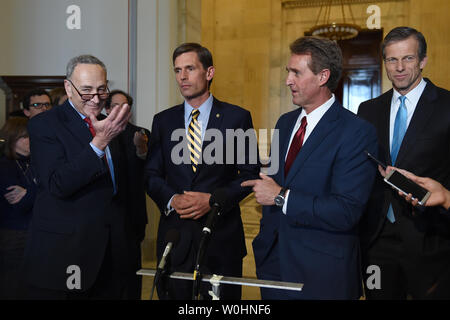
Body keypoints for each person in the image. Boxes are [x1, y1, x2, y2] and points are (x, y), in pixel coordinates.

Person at [241, 36, 378, 300]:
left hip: (322, 275)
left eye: (296, 73)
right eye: (287, 72)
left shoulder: (357, 132)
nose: (287, 81)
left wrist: (281, 197)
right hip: (273, 267)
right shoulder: (284, 123)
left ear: (323, 76)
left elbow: (346, 211)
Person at [145, 42, 260, 300]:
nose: (182, 77)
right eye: (177, 70)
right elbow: (151, 175)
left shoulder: (236, 118)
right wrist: (172, 199)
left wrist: (212, 201)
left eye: (189, 68)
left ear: (209, 73)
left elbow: (250, 174)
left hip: (221, 238)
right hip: (175, 240)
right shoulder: (163, 121)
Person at [23, 54, 132, 299]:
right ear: (67, 87)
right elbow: (58, 184)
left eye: (101, 89)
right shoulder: (45, 125)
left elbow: (120, 188)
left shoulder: (110, 124)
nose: (95, 98)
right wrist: (99, 142)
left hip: (111, 254)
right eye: (86, 91)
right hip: (65, 255)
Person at [357, 26, 450, 299]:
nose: (398, 68)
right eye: (391, 59)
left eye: (407, 58)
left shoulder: (447, 106)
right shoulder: (368, 110)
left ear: (423, 61)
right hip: (377, 240)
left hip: (431, 241)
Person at [104, 90, 150, 300]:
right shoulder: (96, 133)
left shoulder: (142, 133)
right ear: (106, 109)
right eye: (115, 105)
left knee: (132, 272)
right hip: (103, 216)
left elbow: (152, 172)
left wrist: (143, 151)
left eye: (125, 106)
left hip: (133, 215)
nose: (120, 110)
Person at [0, 117, 38, 299]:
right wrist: (37, 191)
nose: (31, 140)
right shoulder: (5, 165)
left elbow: (52, 192)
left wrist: (30, 191)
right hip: (14, 234)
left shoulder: (35, 162)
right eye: (26, 137)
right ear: (13, 139)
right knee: (14, 285)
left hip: (35, 231)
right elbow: (19, 203)